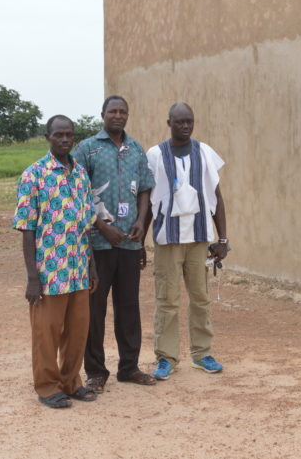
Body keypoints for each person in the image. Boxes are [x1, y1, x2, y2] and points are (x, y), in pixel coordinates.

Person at [13, 115, 99, 408]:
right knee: (46, 333)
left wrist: (92, 267)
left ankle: (71, 381)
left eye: (69, 135)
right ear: (47, 137)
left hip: (78, 269)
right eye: (58, 135)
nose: (64, 140)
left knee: (77, 332)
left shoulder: (80, 174)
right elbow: (27, 228)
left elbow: (85, 225)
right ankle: (48, 386)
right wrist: (32, 277)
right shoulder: (33, 175)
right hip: (49, 271)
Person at [72, 95, 156, 391]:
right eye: (113, 111)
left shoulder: (135, 149)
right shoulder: (87, 149)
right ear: (103, 114)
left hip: (130, 245)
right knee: (94, 310)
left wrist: (141, 226)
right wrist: (101, 228)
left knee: (129, 308)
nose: (118, 116)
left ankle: (129, 367)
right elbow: (78, 194)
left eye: (123, 112)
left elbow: (145, 189)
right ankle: (96, 371)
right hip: (97, 246)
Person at [145, 102, 228, 380]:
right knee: (167, 300)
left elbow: (216, 197)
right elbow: (146, 199)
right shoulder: (155, 155)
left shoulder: (204, 152)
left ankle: (202, 354)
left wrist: (223, 239)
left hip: (199, 238)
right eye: (179, 122)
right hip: (168, 239)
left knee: (201, 298)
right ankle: (166, 358)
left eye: (189, 121)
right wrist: (140, 240)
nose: (185, 126)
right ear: (168, 122)